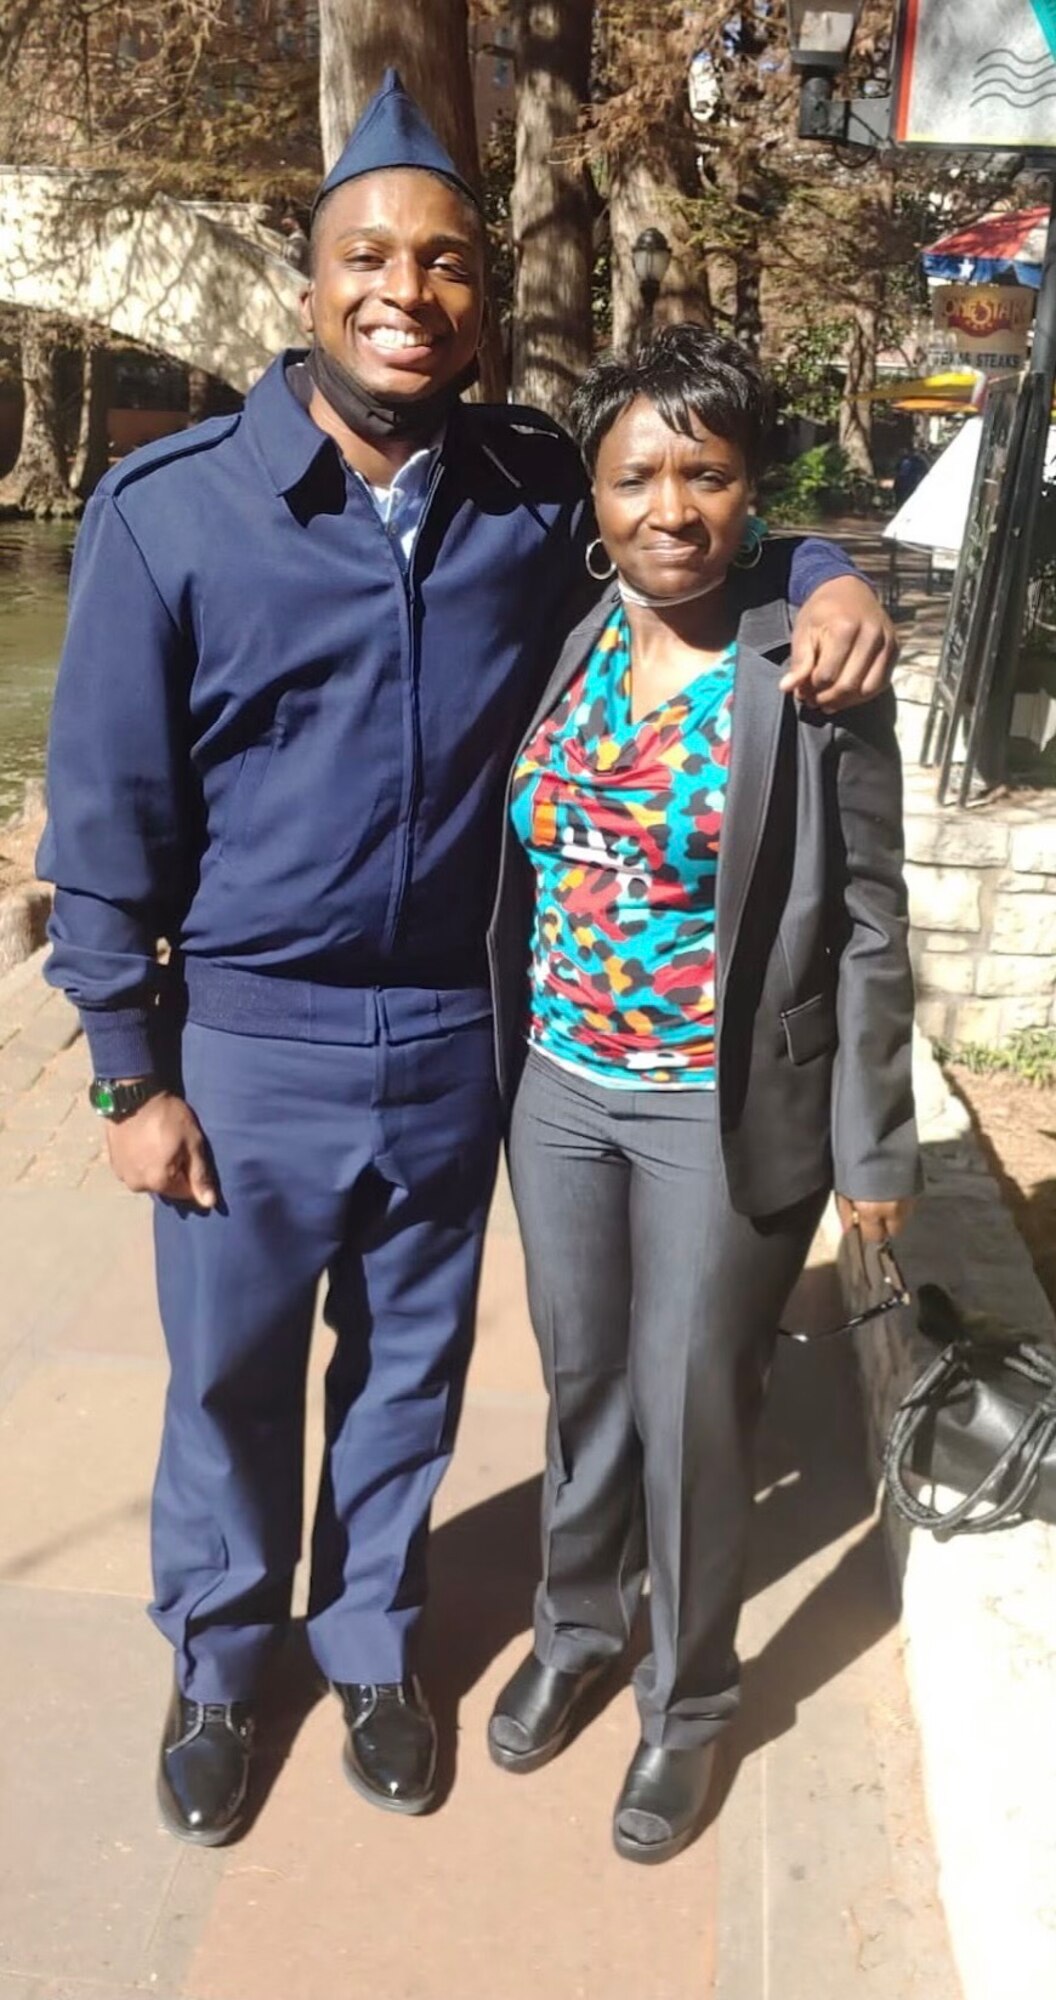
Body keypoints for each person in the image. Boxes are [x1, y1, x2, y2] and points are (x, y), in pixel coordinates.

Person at [38, 72, 898, 1849]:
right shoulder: (169, 513)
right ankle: (216, 1660)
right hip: (250, 1033)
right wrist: (131, 1071)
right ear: (309, 280)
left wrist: (828, 569)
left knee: (410, 1369)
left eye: (443, 263)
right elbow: (102, 830)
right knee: (226, 1373)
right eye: (369, 256)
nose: (404, 293)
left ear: (478, 297)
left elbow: (696, 531)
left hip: (460, 1034)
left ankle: (371, 1643)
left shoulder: (526, 487)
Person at [486, 324, 920, 1865]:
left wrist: (879, 1143)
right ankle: (581, 1622)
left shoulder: (805, 667)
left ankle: (692, 1703)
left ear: (751, 492)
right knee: (584, 1381)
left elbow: (871, 919)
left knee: (692, 1409)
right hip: (560, 1090)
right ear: (593, 497)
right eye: (638, 475)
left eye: (709, 474)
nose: (672, 507)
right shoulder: (568, 616)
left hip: (710, 1108)